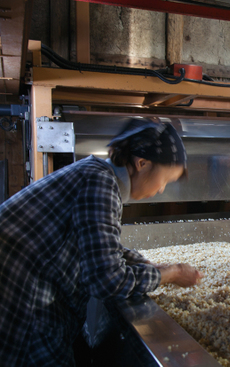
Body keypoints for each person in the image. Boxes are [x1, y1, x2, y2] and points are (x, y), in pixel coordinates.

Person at [0, 118, 202, 367]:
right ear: (142, 163)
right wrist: (170, 274)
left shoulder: (96, 174)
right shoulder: (100, 184)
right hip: (22, 300)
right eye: (165, 180)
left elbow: (100, 245)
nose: (161, 190)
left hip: (30, 292)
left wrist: (148, 265)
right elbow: (107, 280)